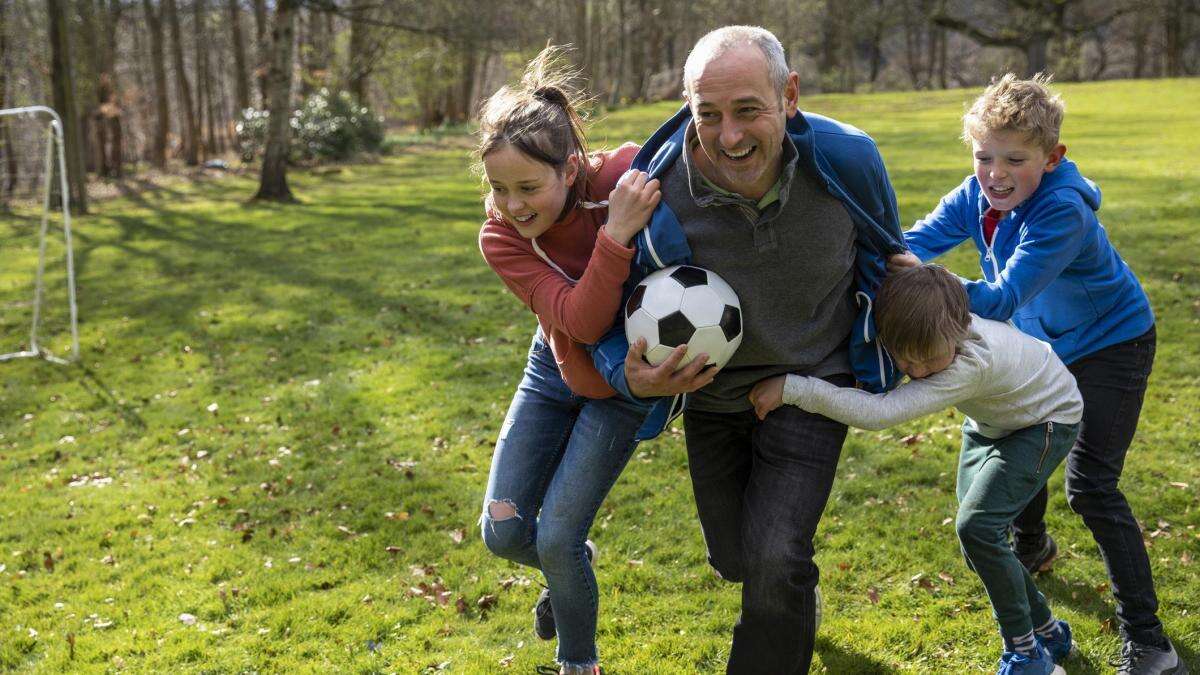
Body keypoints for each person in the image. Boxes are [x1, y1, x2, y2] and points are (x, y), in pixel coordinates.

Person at [590, 26, 906, 673]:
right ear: (687, 107)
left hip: (813, 382)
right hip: (714, 396)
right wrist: (629, 374)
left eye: (747, 111)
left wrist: (917, 335)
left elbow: (890, 255)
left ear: (789, 96)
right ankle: (788, 601)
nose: (729, 137)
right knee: (738, 557)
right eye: (708, 114)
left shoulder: (848, 163)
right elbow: (597, 320)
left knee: (775, 553)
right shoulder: (655, 197)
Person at [890, 74, 1186, 674]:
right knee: (1019, 435)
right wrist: (869, 257)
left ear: (1052, 159)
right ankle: (1030, 546)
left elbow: (999, 299)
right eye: (983, 156)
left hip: (1112, 345)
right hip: (1046, 345)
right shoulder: (976, 196)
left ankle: (1151, 644)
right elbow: (911, 242)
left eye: (1014, 159)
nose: (995, 173)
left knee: (1092, 488)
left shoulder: (1062, 214)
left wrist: (922, 283)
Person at [750, 264, 1082, 675]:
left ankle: (1026, 652)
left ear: (960, 332)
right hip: (993, 424)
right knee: (977, 542)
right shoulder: (941, 325)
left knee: (977, 528)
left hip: (1047, 419)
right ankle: (1048, 630)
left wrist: (795, 388)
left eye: (927, 360)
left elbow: (880, 413)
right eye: (904, 359)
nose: (917, 371)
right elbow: (929, 292)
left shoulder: (969, 364)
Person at [474, 47, 687, 675]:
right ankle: (571, 568)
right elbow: (579, 320)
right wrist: (616, 237)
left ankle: (578, 663)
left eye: (527, 187)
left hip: (624, 388)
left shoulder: (623, 176)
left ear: (571, 169)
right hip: (555, 367)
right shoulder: (501, 238)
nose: (510, 205)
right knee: (506, 532)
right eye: (498, 187)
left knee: (557, 537)